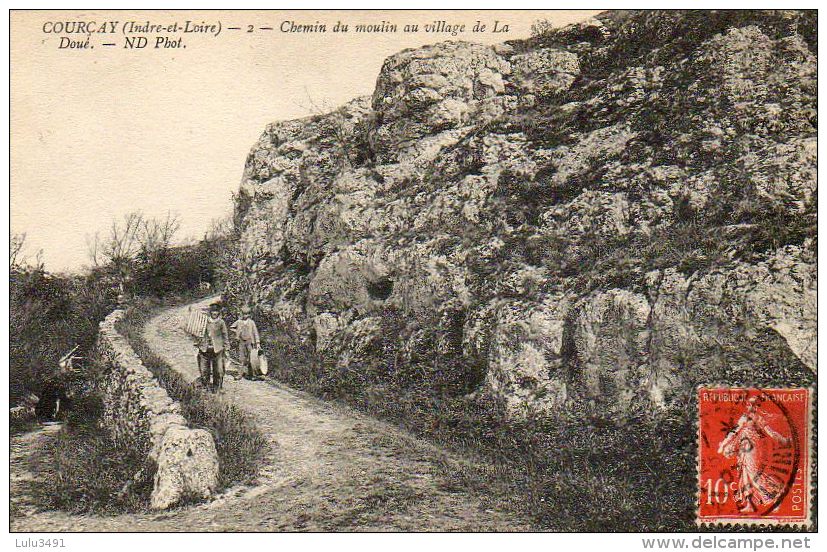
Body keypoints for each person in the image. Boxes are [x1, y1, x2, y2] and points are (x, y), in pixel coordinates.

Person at [718, 396, 791, 513]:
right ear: (747, 405)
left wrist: (783, 440)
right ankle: (749, 504)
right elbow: (733, 433)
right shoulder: (744, 418)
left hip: (754, 450)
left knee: (755, 475)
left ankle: (776, 495)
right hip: (743, 450)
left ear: (756, 406)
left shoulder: (758, 418)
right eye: (749, 404)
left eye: (754, 404)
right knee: (744, 475)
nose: (751, 407)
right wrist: (723, 445)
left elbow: (770, 432)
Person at [199, 303, 229, 392]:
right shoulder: (205, 321)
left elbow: (225, 335)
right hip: (205, 349)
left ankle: (218, 387)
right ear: (210, 312)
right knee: (204, 369)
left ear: (219, 312)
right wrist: (199, 341)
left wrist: (227, 348)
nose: (214, 313)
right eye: (213, 311)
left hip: (218, 349)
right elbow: (198, 332)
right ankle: (206, 387)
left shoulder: (221, 322)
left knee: (219, 370)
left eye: (216, 311)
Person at [233, 305, 261, 380]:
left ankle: (252, 375)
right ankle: (239, 374)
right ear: (241, 314)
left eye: (247, 314)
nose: (245, 315)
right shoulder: (239, 322)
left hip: (250, 342)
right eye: (244, 314)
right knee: (241, 358)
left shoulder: (251, 322)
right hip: (241, 342)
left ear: (249, 314)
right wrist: (237, 333)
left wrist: (257, 342)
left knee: (251, 359)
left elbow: (255, 332)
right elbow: (231, 327)